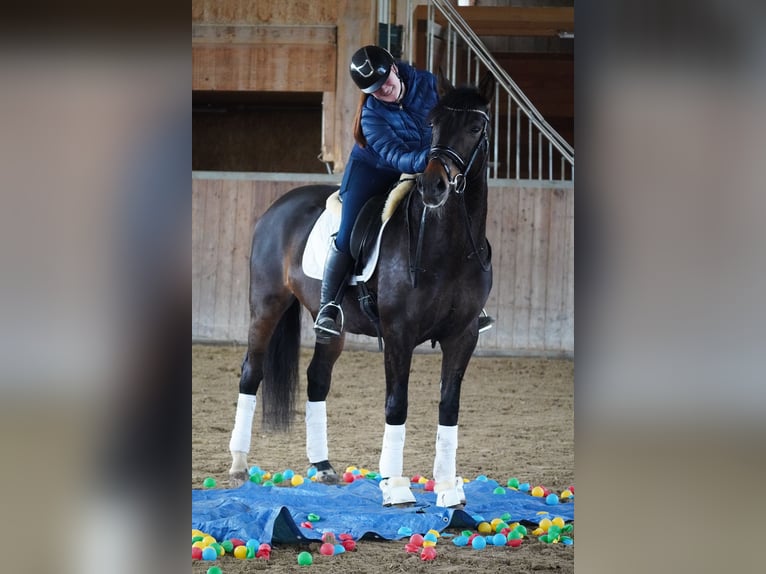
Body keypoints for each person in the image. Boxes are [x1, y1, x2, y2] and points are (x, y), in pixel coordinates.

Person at [314, 45, 494, 341]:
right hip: (376, 167)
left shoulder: (427, 84)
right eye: (375, 89)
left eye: (385, 81)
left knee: (458, 216)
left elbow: (453, 120)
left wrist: (445, 155)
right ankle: (329, 307)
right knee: (348, 231)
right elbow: (394, 156)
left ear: (394, 69)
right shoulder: (372, 114)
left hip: (434, 161)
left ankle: (470, 303)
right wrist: (433, 157)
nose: (383, 90)